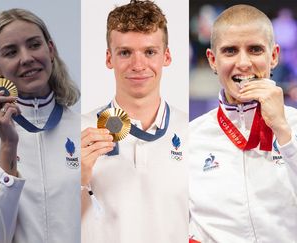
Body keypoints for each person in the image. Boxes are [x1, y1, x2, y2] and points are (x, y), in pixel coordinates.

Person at [81, 1, 188, 242]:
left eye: (149, 52)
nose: (138, 65)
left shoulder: (193, 132)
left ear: (166, 56)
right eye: (125, 52)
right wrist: (74, 182)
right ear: (109, 58)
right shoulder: (78, 132)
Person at [189, 4, 297, 242]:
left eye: (255, 49)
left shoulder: (294, 126)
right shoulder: (188, 138)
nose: (244, 63)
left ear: (274, 56)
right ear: (212, 60)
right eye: (230, 51)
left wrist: (283, 131)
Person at [0, 9, 81, 243]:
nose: (26, 58)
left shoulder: (82, 129)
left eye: (34, 45)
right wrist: (8, 146)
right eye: (11, 52)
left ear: (50, 49)